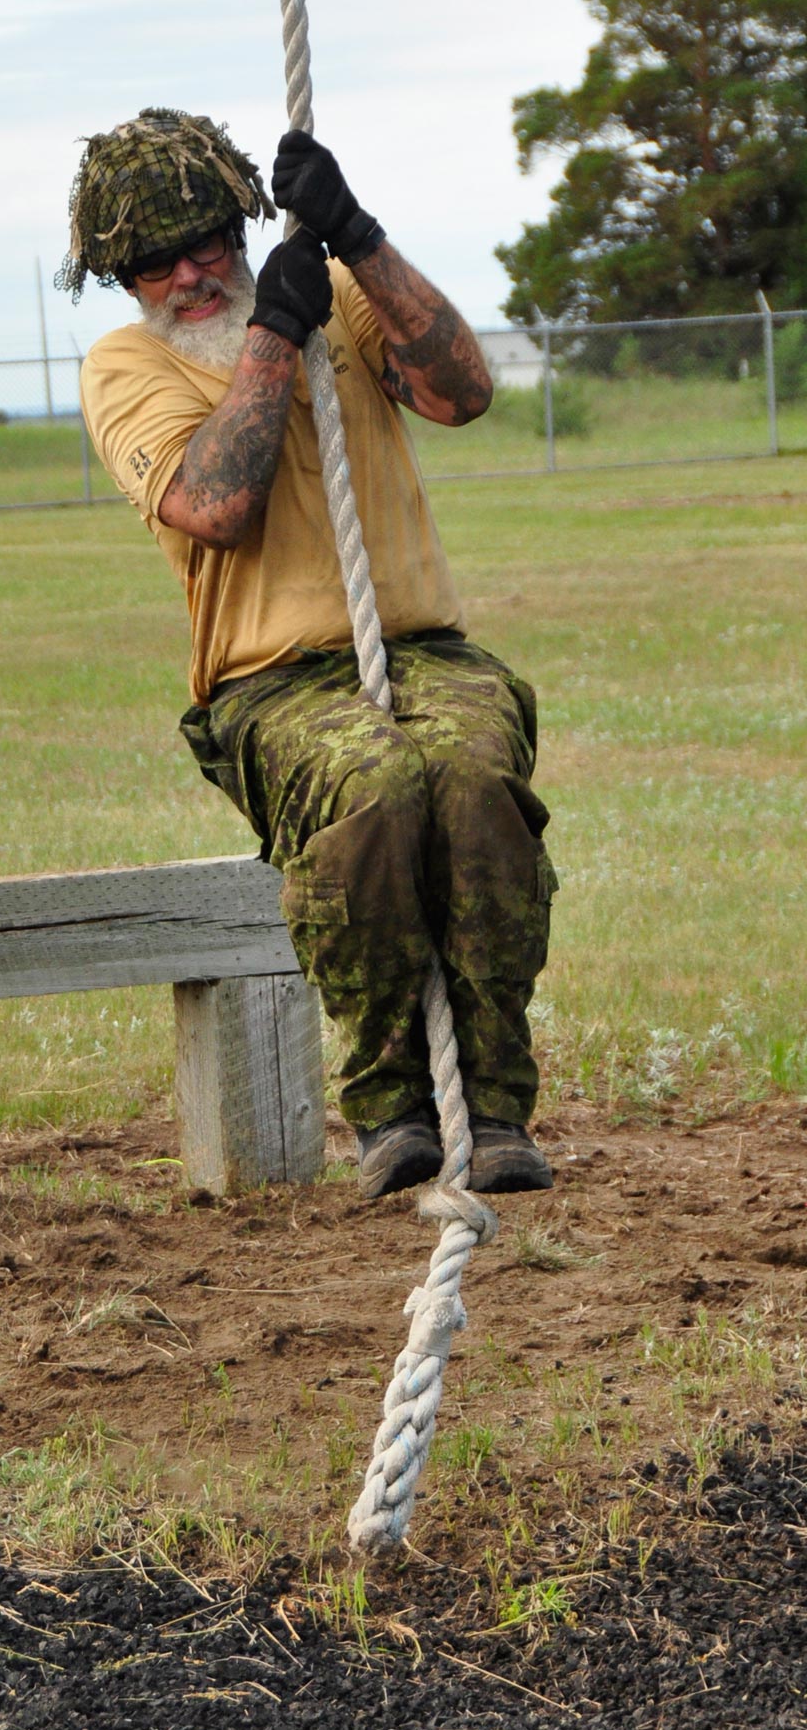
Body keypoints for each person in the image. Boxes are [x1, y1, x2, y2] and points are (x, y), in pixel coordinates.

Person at [60, 109, 558, 1200]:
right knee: (373, 787)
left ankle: (497, 1104)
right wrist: (272, 340)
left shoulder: (339, 299)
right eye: (156, 261)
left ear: (242, 226)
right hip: (270, 683)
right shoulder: (123, 367)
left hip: (423, 649)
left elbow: (461, 393)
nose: (191, 274)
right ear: (118, 273)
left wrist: (362, 241)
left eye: (207, 244)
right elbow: (214, 503)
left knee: (472, 781)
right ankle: (392, 1108)